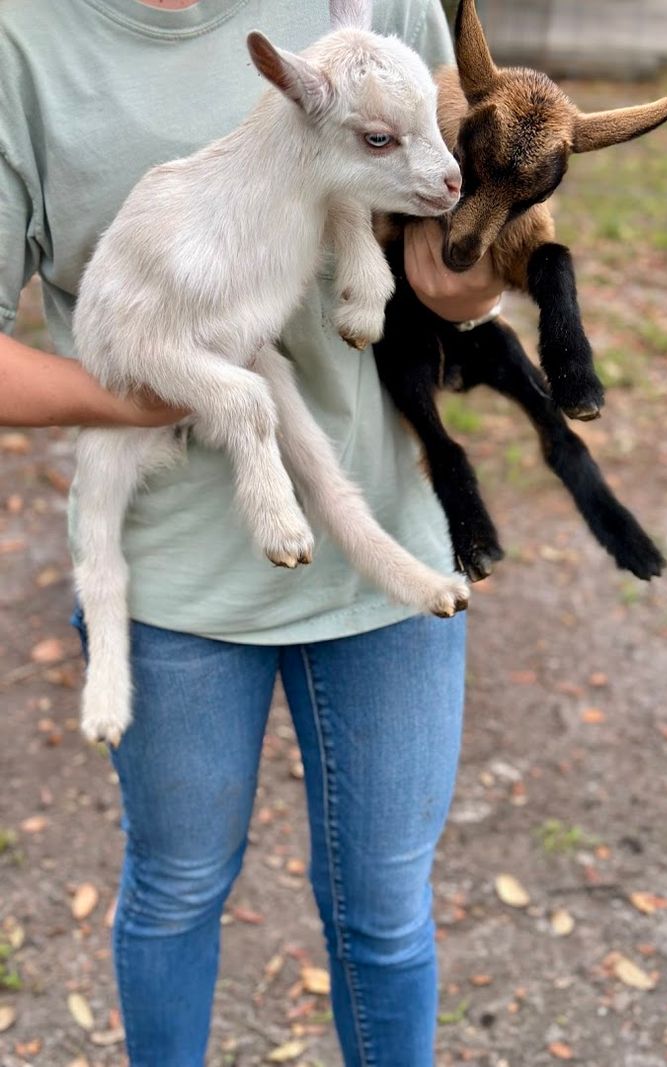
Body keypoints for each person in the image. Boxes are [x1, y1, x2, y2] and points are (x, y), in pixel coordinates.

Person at [0, 1, 505, 1063]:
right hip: (175, 573)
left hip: (380, 557)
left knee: (383, 908)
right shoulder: (24, 45)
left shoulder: (367, 12)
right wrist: (162, 395)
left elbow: (441, 257)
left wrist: (487, 250)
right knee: (178, 888)